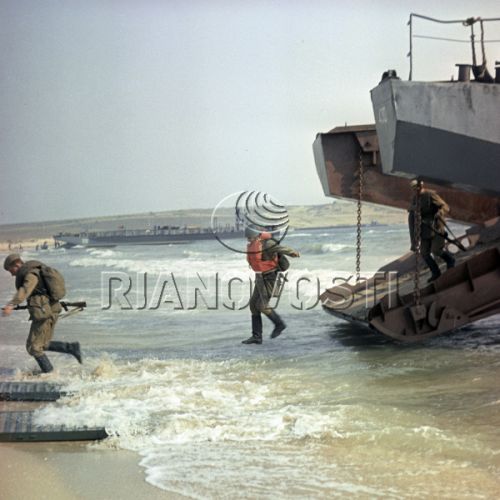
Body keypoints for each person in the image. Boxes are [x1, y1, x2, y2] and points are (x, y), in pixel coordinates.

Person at [2, 254, 82, 373]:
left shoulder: (31, 274)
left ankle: (49, 373)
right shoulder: (34, 272)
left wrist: (11, 304)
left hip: (45, 314)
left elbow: (25, 290)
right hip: (47, 312)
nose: (12, 274)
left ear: (17, 264)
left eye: (11, 270)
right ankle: (71, 348)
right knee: (40, 344)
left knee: (34, 347)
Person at [242, 227, 300, 345]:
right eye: (247, 238)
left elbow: (280, 248)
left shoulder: (268, 243)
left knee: (262, 306)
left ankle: (279, 324)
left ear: (257, 235)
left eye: (250, 237)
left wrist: (292, 252)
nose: (249, 240)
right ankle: (256, 337)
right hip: (260, 277)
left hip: (270, 277)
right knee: (253, 305)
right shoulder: (253, 244)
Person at [408, 180, 455, 282]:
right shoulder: (414, 199)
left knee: (436, 250)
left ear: (421, 185)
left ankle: (450, 260)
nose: (416, 189)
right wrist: (413, 242)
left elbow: (445, 206)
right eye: (414, 188)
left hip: (436, 228)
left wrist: (440, 212)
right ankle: (436, 272)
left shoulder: (430, 194)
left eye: (417, 186)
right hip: (424, 231)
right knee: (424, 253)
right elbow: (411, 221)